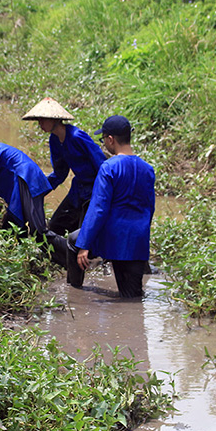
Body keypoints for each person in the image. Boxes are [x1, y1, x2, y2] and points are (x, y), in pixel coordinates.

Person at [67, 115, 155, 299]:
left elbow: (99, 208)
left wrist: (85, 244)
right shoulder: (147, 169)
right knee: (132, 297)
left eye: (103, 139)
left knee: (73, 241)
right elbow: (150, 208)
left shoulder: (109, 167)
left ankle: (74, 294)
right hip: (138, 239)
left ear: (110, 139)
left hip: (112, 237)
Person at [21, 97, 106, 237]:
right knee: (55, 226)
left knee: (85, 235)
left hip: (94, 190)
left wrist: (103, 193)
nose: (40, 123)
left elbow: (101, 164)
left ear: (55, 119)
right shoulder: (54, 140)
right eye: (38, 120)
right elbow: (60, 172)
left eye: (43, 119)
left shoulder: (77, 137)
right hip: (78, 190)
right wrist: (39, 190)